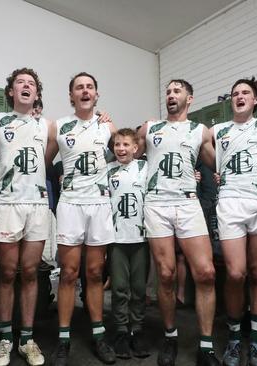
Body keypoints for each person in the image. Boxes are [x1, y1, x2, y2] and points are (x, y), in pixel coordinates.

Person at [136, 79, 219, 366]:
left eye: (177, 91)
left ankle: (206, 345)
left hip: (187, 202)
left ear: (189, 99)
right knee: (167, 274)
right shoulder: (150, 128)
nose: (171, 95)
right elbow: (120, 150)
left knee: (206, 272)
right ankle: (170, 336)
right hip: (156, 203)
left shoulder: (200, 131)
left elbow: (218, 163)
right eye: (168, 92)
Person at [45, 72, 117, 366]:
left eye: (90, 87)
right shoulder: (59, 126)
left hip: (99, 203)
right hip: (71, 203)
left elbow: (125, 155)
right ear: (71, 96)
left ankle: (99, 335)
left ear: (96, 95)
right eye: (79, 87)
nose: (85, 91)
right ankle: (63, 339)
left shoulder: (107, 126)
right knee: (69, 273)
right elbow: (45, 160)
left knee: (96, 273)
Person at [0, 67, 49, 366]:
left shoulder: (48, 126)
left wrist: (104, 119)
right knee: (8, 272)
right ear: (10, 91)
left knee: (31, 272)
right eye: (20, 82)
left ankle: (27, 339)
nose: (25, 86)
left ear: (36, 94)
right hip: (8, 204)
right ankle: (6, 338)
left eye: (30, 83)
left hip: (37, 204)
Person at [214, 78, 257, 366]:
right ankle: (232, 338)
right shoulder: (217, 131)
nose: (239, 97)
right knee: (235, 273)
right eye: (235, 94)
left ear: (256, 100)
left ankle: (255, 342)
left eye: (245, 93)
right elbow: (204, 157)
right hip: (230, 203)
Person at [106, 128, 150, 360]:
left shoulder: (145, 168)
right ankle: (121, 331)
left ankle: (137, 329)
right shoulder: (108, 170)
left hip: (141, 238)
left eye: (126, 145)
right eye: (117, 145)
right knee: (120, 288)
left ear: (135, 147)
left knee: (139, 288)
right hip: (116, 238)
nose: (121, 149)